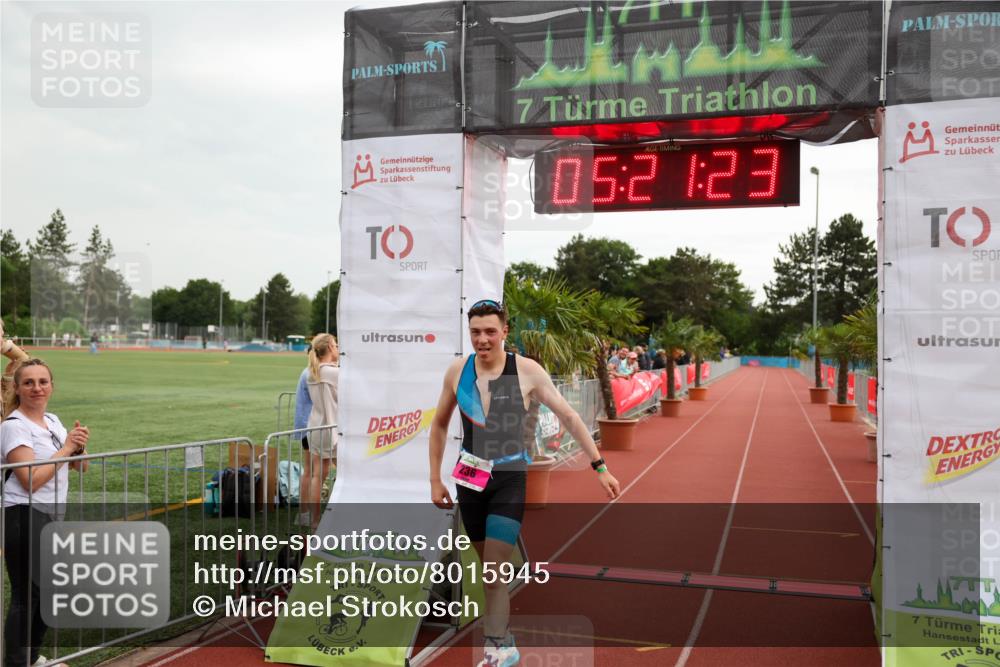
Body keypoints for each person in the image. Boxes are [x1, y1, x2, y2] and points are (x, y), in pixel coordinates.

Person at [429, 299, 620, 667]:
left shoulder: (527, 370)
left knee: (493, 570)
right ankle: (506, 642)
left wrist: (600, 467)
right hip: (470, 481)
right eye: (475, 332)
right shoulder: (457, 371)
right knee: (488, 569)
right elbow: (438, 424)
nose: (482, 339)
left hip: (509, 479)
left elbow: (569, 416)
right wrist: (434, 478)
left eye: (490, 331)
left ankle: (496, 647)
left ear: (504, 331)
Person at [2, 358, 90, 667]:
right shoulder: (14, 426)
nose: (37, 388)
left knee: (48, 592)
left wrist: (78, 447)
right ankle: (16, 662)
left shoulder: (52, 421)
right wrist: (65, 449)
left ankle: (31, 657)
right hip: (23, 514)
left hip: (50, 515)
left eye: (43, 382)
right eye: (28, 382)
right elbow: (30, 481)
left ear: (52, 386)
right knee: (28, 594)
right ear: (17, 388)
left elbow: (81, 466)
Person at [303, 333, 338, 530]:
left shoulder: (313, 371)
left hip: (316, 427)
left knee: (318, 475)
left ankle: (315, 521)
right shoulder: (332, 372)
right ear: (330, 348)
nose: (338, 348)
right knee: (345, 472)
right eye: (335, 345)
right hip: (331, 428)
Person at [292, 345, 314, 527]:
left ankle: (305, 514)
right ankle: (306, 514)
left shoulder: (308, 372)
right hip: (313, 427)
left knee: (311, 471)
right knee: (312, 471)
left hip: (309, 427)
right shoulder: (312, 373)